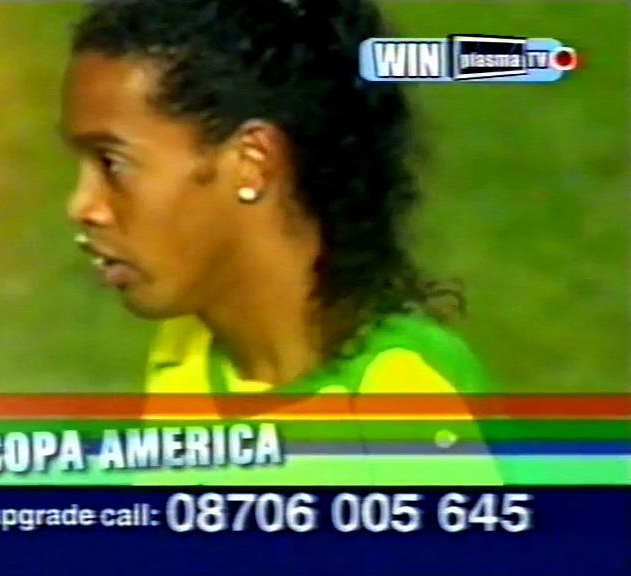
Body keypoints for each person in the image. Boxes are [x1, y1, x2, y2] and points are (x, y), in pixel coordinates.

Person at [62, 0, 502, 484]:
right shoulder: (181, 357)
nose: (83, 206)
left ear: (252, 164)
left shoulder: (402, 399)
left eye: (113, 164)